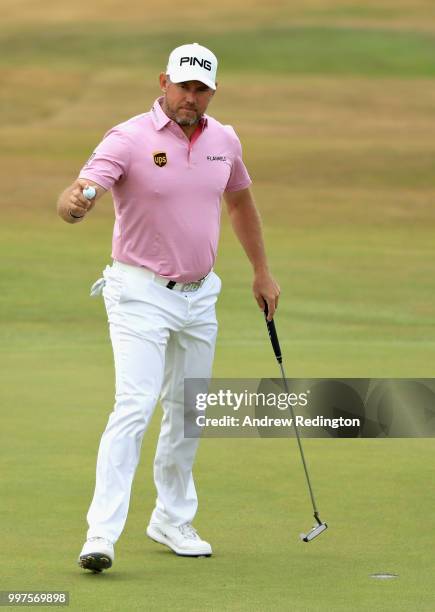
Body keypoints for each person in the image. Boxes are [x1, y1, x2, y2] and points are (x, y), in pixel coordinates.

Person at [57, 42, 280, 572]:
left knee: (188, 411)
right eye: (184, 86)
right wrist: (75, 201)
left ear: (212, 92)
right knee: (133, 407)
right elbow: (87, 184)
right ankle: (101, 535)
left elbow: (240, 201)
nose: (191, 97)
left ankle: (172, 518)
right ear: (164, 82)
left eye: (202, 89)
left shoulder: (224, 139)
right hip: (138, 292)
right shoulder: (129, 137)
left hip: (200, 295)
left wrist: (261, 271)